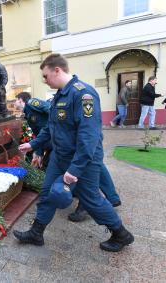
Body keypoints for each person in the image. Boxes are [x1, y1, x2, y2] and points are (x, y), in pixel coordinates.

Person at [14, 53, 134, 252]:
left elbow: (89, 136)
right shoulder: (58, 96)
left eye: (45, 76)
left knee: (91, 199)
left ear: (57, 70)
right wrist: (33, 144)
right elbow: (50, 128)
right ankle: (36, 232)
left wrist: (75, 170)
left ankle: (121, 234)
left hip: (83, 160)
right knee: (46, 193)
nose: (44, 80)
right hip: (60, 157)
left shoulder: (83, 94)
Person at [15, 91, 121, 222]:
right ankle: (109, 198)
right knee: (84, 170)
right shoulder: (27, 113)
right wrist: (38, 151)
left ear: (20, 100)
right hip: (57, 142)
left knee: (90, 169)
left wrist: (60, 131)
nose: (15, 104)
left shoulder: (33, 103)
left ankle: (105, 206)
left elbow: (52, 114)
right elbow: (42, 130)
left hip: (71, 142)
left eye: (16, 100)